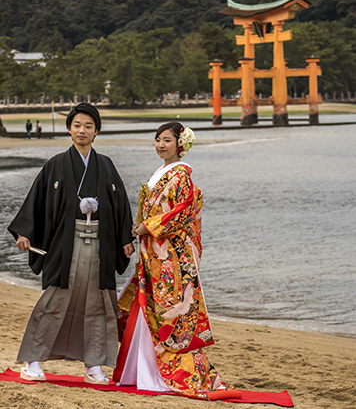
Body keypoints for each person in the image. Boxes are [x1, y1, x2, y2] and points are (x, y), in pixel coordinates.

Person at [8, 102, 135, 385]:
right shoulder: (56, 164)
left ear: (96, 131)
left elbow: (120, 205)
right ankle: (32, 362)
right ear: (69, 129)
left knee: (98, 304)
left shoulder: (106, 165)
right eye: (77, 125)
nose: (82, 130)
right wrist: (24, 232)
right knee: (55, 299)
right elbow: (37, 202)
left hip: (101, 243)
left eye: (88, 126)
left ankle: (94, 364)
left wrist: (125, 238)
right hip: (65, 244)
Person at [113, 122, 241, 400]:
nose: (161, 145)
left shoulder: (181, 174)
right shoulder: (161, 173)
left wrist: (148, 227)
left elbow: (182, 211)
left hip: (170, 251)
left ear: (180, 144)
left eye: (167, 140)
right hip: (155, 248)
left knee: (168, 307)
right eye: (158, 139)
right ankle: (143, 370)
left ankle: (168, 372)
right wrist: (138, 229)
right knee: (153, 305)